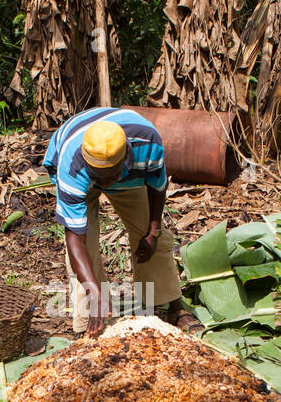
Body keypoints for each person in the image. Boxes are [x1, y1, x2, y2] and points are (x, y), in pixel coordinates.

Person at [42, 107, 202, 337]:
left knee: (148, 232)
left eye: (110, 177)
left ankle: (173, 307)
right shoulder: (72, 167)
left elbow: (157, 188)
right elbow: (75, 237)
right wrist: (94, 290)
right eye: (99, 178)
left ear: (126, 157)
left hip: (130, 176)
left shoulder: (148, 144)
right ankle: (90, 319)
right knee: (84, 249)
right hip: (80, 174)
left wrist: (153, 232)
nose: (105, 185)